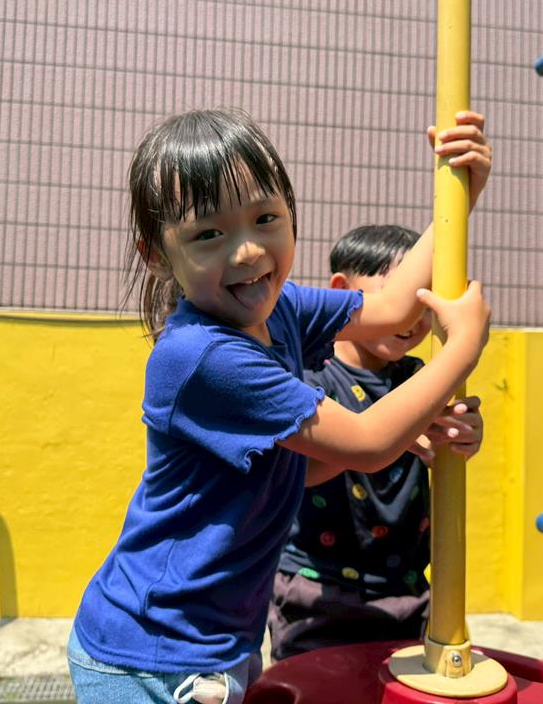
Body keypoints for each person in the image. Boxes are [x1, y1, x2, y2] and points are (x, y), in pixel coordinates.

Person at [68, 109, 491, 704]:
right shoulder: (203, 356)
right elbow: (368, 443)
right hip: (155, 654)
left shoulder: (280, 307)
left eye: (265, 219)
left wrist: (460, 193)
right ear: (157, 254)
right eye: (208, 234)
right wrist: (464, 347)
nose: (247, 251)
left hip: (217, 640)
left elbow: (393, 308)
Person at [269, 224, 483, 661]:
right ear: (342, 292)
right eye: (401, 299)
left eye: (425, 302)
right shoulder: (310, 375)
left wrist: (465, 434)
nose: (413, 318)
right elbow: (299, 471)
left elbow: (444, 445)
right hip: (317, 588)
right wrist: (395, 436)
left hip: (409, 589)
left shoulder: (418, 376)